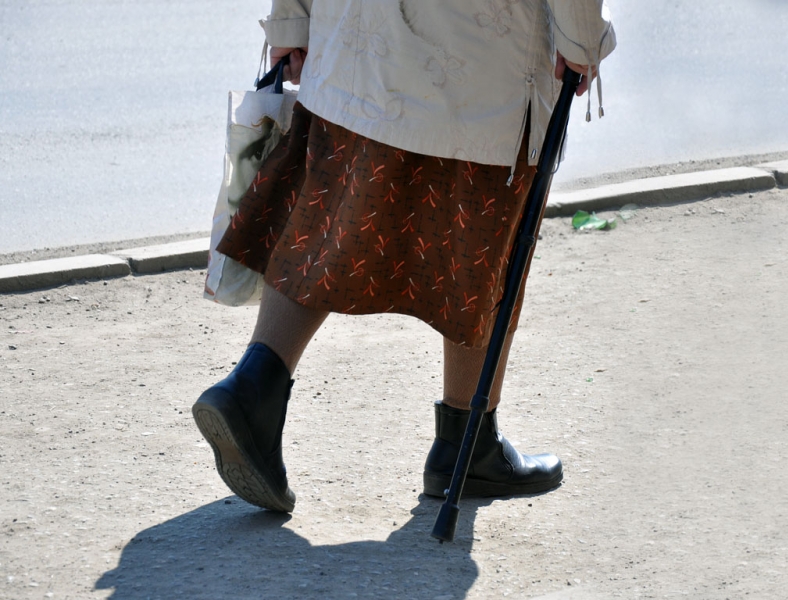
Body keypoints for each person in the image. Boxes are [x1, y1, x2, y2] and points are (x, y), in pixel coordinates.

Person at [192, 0, 616, 513]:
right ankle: (467, 444)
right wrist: (581, 39)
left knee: (326, 219)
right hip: (481, 58)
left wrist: (292, 20)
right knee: (480, 239)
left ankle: (252, 389)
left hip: (354, 42)